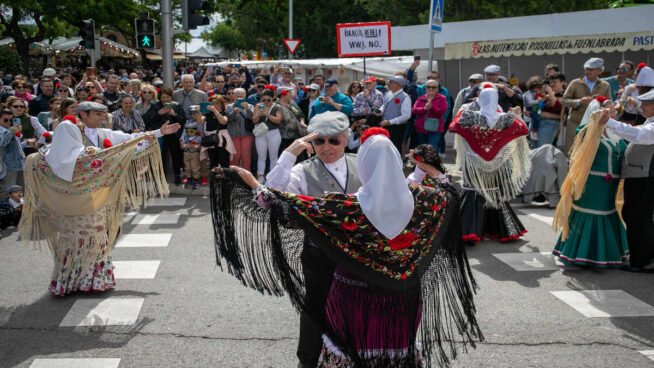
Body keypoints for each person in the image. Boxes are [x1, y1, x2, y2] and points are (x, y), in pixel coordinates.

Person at [211, 126, 481, 367]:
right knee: (397, 353)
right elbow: (450, 195)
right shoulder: (426, 201)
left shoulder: (345, 207)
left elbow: (279, 205)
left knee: (349, 354)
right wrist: (430, 168)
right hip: (405, 298)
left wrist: (249, 180)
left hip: (353, 297)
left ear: (363, 164)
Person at [18, 119, 170, 296]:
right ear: (77, 135)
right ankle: (92, 282)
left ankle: (65, 281)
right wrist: (154, 135)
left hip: (63, 210)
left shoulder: (42, 157)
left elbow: (30, 168)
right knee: (93, 242)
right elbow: (125, 153)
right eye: (81, 133)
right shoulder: (88, 156)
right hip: (89, 208)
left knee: (68, 244)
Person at [265, 112, 362, 367]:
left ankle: (353, 355)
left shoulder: (361, 163)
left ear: (346, 140)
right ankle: (308, 360)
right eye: (320, 142)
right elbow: (272, 192)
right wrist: (289, 154)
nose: (327, 148)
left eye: (334, 141)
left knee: (356, 306)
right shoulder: (302, 169)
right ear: (310, 143)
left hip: (359, 253)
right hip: (319, 254)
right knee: (315, 307)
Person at [552, 96, 628, 268]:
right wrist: (594, 122)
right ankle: (582, 254)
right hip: (593, 184)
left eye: (614, 111)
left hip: (611, 185)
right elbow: (581, 135)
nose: (612, 114)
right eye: (608, 111)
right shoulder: (588, 130)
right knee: (592, 213)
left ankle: (607, 254)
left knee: (608, 214)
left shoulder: (616, 133)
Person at [449, 87, 531, 243]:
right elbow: (523, 129)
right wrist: (516, 117)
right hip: (495, 164)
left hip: (473, 162)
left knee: (472, 191)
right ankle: (499, 230)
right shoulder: (505, 119)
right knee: (492, 193)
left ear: (481, 99)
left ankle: (469, 229)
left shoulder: (469, 117)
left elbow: (453, 126)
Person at [598, 89, 654, 271]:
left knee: (638, 217)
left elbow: (638, 135)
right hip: (639, 175)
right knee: (635, 215)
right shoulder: (649, 122)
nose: (641, 107)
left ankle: (642, 261)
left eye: (646, 104)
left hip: (644, 176)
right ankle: (642, 256)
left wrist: (610, 122)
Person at [562, 57, 611, 153]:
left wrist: (601, 103)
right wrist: (579, 102)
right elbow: (564, 100)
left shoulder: (605, 85)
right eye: (586, 69)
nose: (588, 72)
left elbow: (609, 102)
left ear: (599, 71)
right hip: (575, 122)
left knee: (591, 151)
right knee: (573, 150)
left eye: (591, 69)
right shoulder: (575, 83)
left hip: (595, 123)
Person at [252, 88, 283, 183]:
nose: (266, 102)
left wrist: (267, 115)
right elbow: (254, 120)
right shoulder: (258, 106)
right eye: (264, 100)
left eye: (268, 100)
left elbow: (278, 120)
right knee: (261, 156)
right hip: (261, 133)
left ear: (273, 98)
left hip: (274, 133)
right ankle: (261, 176)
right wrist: (258, 114)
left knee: (273, 156)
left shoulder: (277, 107)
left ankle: (272, 177)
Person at [411, 79, 447, 151]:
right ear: (425, 88)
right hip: (421, 127)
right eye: (428, 87)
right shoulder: (421, 98)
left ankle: (432, 162)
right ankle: (423, 162)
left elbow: (443, 111)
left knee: (432, 148)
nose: (431, 89)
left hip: (435, 127)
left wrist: (432, 107)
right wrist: (424, 108)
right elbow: (414, 110)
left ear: (437, 88)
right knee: (422, 148)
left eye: (433, 87)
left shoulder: (442, 98)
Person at [380, 75, 411, 154]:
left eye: (391, 82)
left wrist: (390, 121)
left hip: (397, 127)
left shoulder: (405, 97)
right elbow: (384, 106)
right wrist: (379, 111)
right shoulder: (388, 94)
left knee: (395, 148)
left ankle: (397, 165)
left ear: (398, 84)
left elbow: (406, 115)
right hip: (386, 125)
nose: (389, 84)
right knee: (385, 147)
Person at [201, 95, 233, 169]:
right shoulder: (208, 114)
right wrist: (199, 112)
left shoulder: (225, 113)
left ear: (221, 104)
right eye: (212, 103)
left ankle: (225, 179)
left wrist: (215, 111)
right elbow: (200, 122)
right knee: (213, 162)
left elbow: (223, 122)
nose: (214, 105)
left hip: (222, 139)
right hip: (211, 140)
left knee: (224, 161)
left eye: (216, 103)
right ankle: (214, 179)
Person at [226, 88, 254, 171]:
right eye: (237, 96)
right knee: (234, 156)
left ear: (245, 97)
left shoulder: (250, 106)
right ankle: (233, 175)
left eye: (241, 96)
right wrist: (234, 113)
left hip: (247, 134)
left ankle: (246, 176)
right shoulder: (229, 107)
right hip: (234, 134)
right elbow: (227, 120)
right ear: (233, 96)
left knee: (246, 155)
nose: (239, 98)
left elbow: (253, 118)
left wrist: (247, 109)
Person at [0, 109, 24, 200]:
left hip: (19, 164)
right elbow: (3, 142)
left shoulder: (10, 130)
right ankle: (4, 212)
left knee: (20, 190)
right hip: (7, 166)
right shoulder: (8, 131)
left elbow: (16, 147)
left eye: (11, 119)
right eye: (5, 120)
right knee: (7, 191)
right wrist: (11, 132)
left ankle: (18, 211)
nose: (9, 122)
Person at [276, 86, 307, 153]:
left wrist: (302, 122)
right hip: (284, 138)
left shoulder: (292, 103)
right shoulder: (276, 105)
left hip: (297, 135)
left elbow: (301, 114)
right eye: (290, 93)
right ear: (283, 94)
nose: (292, 95)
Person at [180, 120, 203, 189]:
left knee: (195, 167)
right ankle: (189, 179)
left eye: (191, 131)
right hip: (186, 153)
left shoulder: (198, 138)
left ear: (196, 130)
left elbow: (200, 147)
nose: (189, 133)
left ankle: (196, 180)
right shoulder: (185, 137)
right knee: (187, 167)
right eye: (187, 131)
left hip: (194, 154)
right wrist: (185, 146)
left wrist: (194, 146)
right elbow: (182, 146)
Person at [523, 76, 545, 144]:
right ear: (532, 86)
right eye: (538, 87)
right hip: (531, 110)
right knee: (536, 118)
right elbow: (530, 103)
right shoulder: (528, 94)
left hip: (536, 109)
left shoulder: (537, 93)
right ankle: (534, 132)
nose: (539, 89)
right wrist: (538, 101)